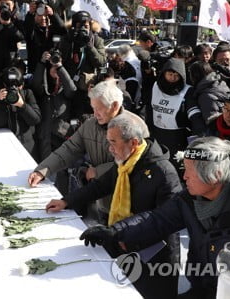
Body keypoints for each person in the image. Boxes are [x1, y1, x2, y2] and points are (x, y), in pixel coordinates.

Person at [80, 136, 230, 299]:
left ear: (215, 176)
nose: (184, 176)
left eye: (189, 171)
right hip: (204, 289)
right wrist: (114, 232)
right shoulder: (193, 198)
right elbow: (158, 219)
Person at [46, 113, 182, 298]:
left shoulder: (164, 173)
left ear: (133, 143)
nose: (110, 149)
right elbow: (101, 185)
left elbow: (162, 219)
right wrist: (67, 201)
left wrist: (119, 233)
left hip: (155, 257)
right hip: (126, 241)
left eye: (113, 142)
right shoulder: (125, 162)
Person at [28, 80, 149, 222]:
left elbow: (137, 163)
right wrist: (42, 170)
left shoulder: (135, 126)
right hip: (101, 198)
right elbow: (69, 149)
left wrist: (98, 171)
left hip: (129, 204)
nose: (95, 113)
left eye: (99, 108)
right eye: (93, 108)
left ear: (115, 106)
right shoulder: (90, 125)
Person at [145, 58, 206, 169]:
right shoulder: (155, 87)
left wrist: (199, 134)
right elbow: (149, 109)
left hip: (177, 138)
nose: (172, 78)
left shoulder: (187, 91)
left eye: (176, 76)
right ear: (164, 74)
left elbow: (194, 113)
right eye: (170, 74)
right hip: (157, 134)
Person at [32, 49, 76, 161]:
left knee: (61, 166)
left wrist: (60, 67)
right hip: (45, 133)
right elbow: (36, 85)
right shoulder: (44, 85)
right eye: (53, 65)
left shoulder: (64, 85)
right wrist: (42, 62)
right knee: (44, 165)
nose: (55, 69)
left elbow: (71, 90)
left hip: (60, 132)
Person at [0, 67, 41, 158]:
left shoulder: (27, 94)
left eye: (17, 86)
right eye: (9, 86)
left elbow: (35, 120)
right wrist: (0, 102)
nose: (14, 89)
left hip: (27, 146)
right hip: (5, 145)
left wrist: (22, 105)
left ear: (22, 85)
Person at [23, 0, 67, 73]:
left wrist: (53, 15)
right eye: (40, 15)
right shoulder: (32, 30)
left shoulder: (54, 30)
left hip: (53, 70)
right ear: (34, 16)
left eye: (46, 15)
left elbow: (63, 31)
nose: (43, 18)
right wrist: (30, 14)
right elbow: (27, 31)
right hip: (36, 70)